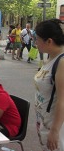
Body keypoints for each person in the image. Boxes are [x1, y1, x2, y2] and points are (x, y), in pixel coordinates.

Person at [34, 19, 64, 151]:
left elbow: (62, 100)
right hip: (44, 121)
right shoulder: (50, 57)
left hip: (56, 126)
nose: (35, 42)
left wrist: (55, 131)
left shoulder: (62, 62)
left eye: (37, 39)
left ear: (49, 41)